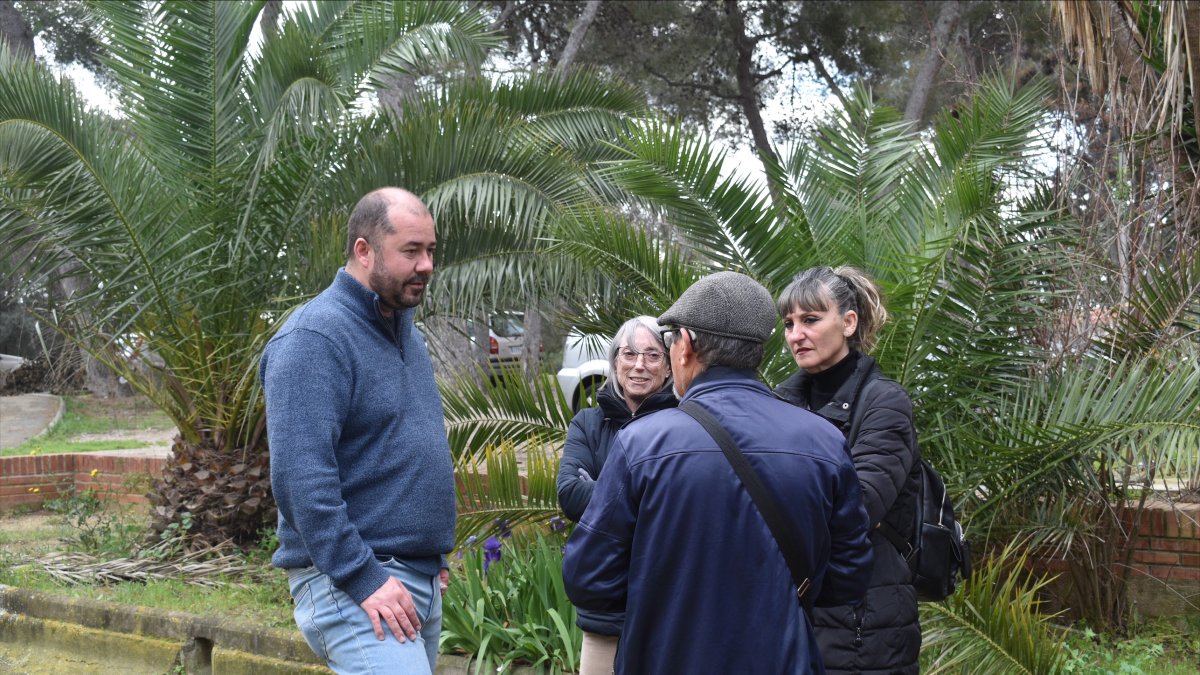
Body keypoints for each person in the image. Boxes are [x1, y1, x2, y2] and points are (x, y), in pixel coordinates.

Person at [562, 271, 874, 674]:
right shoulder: (824, 443)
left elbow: (587, 577)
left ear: (686, 345)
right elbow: (848, 576)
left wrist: (664, 595)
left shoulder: (641, 444)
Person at [260, 187, 455, 674]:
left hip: (415, 579)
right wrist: (362, 576)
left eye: (430, 250)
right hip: (354, 583)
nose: (426, 264)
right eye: (411, 251)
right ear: (363, 251)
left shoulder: (406, 332)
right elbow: (300, 480)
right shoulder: (314, 338)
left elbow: (401, 449)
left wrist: (431, 553)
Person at [775, 266, 922, 675]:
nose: (795, 335)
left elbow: (859, 506)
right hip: (795, 615)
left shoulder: (884, 403)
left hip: (865, 623)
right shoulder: (780, 403)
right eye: (788, 323)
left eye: (810, 320)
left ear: (848, 322)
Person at [557, 316, 677, 675]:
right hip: (605, 611)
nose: (639, 365)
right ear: (614, 363)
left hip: (668, 607)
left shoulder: (683, 422)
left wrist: (603, 488)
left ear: (669, 366)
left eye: (653, 355)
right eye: (629, 354)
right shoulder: (588, 424)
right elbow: (570, 494)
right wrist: (652, 495)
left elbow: (688, 502)